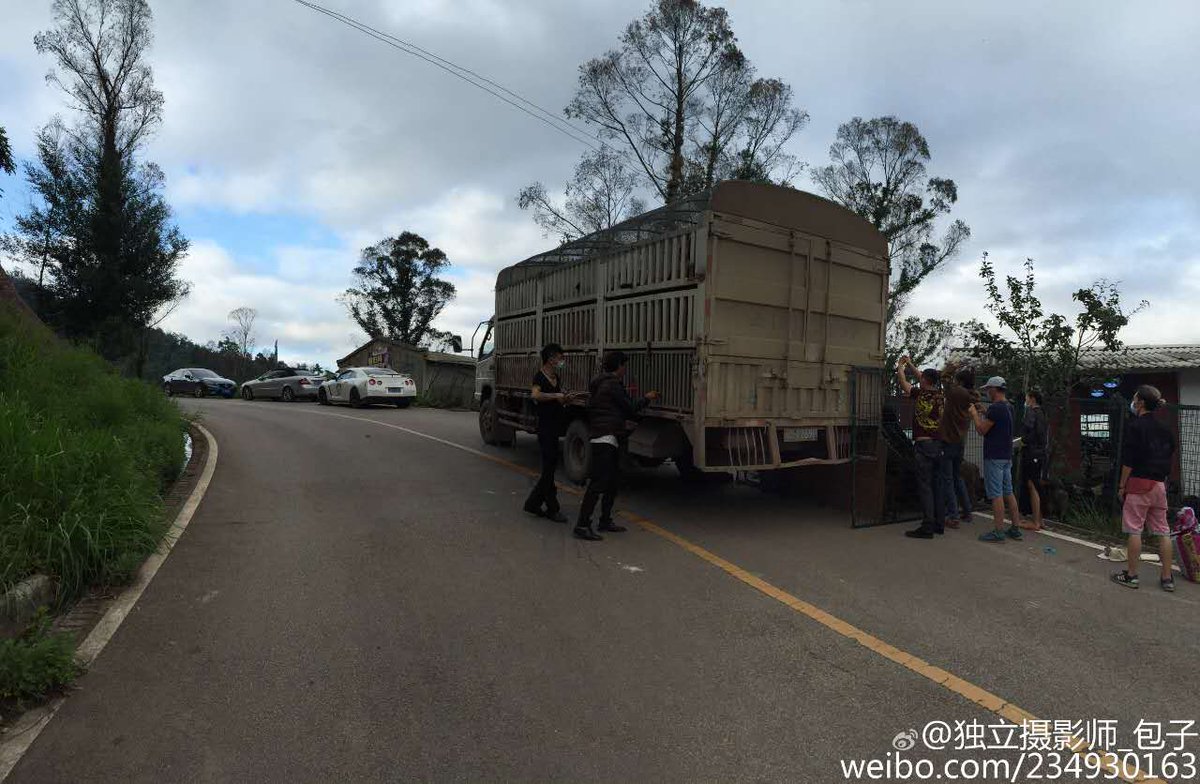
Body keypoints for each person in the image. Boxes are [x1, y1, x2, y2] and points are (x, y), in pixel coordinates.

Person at [574, 351, 658, 542]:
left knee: (611, 481)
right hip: (606, 437)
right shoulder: (612, 385)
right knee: (598, 483)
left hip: (602, 434)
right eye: (624, 365)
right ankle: (582, 524)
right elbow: (629, 408)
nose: (625, 369)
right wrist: (647, 398)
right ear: (618, 366)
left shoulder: (598, 383)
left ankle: (605, 520)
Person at [1112, 385, 1176, 592]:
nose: (1133, 400)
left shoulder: (1136, 426)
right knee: (1163, 531)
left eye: (1135, 397)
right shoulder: (1165, 427)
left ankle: (1131, 575)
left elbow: (1129, 460)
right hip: (1159, 485)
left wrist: (1122, 485)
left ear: (1139, 403)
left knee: (1134, 529)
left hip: (1139, 483)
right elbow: (1170, 454)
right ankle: (1167, 578)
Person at [896, 357, 945, 539]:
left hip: (923, 445)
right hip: (938, 445)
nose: (920, 378)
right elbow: (923, 377)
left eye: (922, 377)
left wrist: (901, 367)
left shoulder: (920, 394)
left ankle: (927, 526)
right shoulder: (939, 395)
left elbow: (903, 382)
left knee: (924, 486)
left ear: (925, 381)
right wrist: (910, 364)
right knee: (936, 485)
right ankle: (939, 523)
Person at [970, 377, 1024, 542]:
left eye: (988, 389)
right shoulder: (1009, 407)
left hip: (994, 456)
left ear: (994, 389)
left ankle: (998, 531)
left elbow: (981, 430)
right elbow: (997, 421)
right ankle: (1015, 528)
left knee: (996, 494)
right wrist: (984, 412)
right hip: (1006, 456)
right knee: (1008, 491)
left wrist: (974, 415)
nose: (987, 392)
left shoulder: (995, 408)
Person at [523, 343, 571, 523]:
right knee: (549, 469)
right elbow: (535, 395)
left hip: (555, 427)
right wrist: (555, 396)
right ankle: (551, 507)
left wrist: (565, 398)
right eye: (560, 358)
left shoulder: (556, 377)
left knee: (550, 468)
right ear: (550, 358)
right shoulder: (539, 377)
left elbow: (558, 401)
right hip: (545, 428)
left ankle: (533, 503)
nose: (562, 361)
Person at [939, 366, 978, 528]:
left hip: (948, 441)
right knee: (957, 477)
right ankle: (967, 511)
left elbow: (944, 378)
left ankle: (953, 516)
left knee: (947, 478)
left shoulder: (956, 393)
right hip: (960, 441)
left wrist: (952, 367)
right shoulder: (971, 396)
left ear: (960, 381)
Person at [1017, 390, 1049, 531]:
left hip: (1031, 453)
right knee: (1037, 484)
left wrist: (1021, 441)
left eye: (1027, 398)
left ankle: (1035, 521)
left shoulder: (1031, 413)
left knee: (1032, 485)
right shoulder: (1043, 413)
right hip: (1041, 453)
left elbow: (1027, 433)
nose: (1026, 401)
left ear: (1032, 399)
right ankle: (1040, 520)